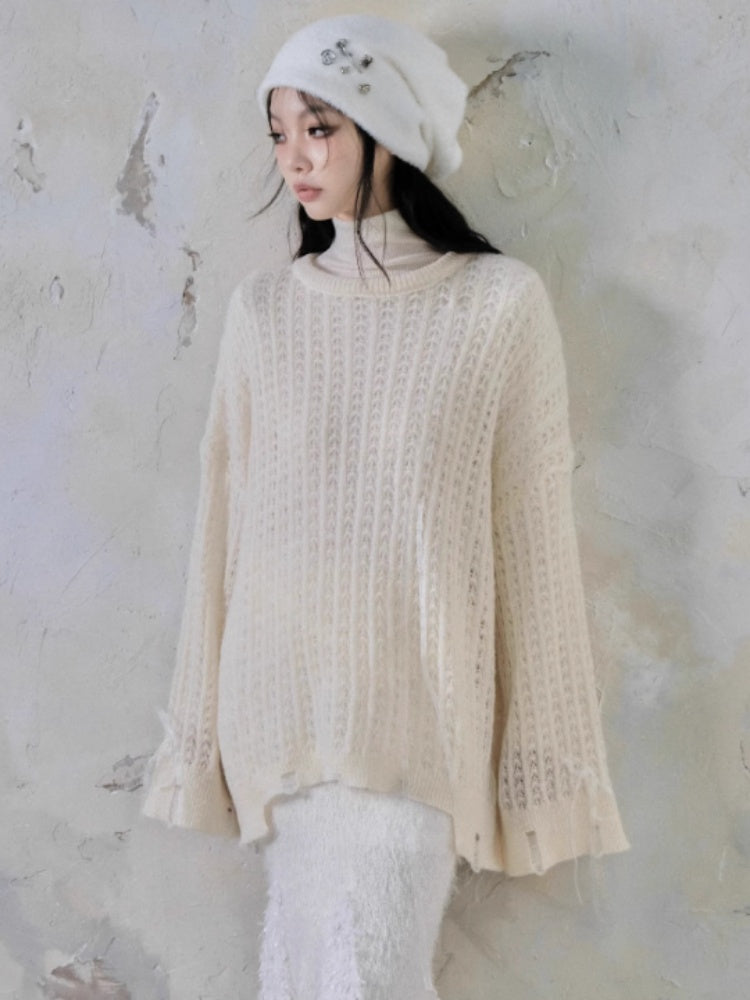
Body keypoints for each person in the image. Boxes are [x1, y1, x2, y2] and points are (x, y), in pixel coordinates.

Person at [141, 13, 629, 999]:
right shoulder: (264, 311)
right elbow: (223, 531)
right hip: (277, 724)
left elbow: (531, 543)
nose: (293, 158)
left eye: (319, 128)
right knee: (298, 974)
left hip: (416, 724)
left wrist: (543, 769)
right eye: (279, 132)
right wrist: (196, 743)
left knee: (368, 973)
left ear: (389, 131)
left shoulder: (496, 306)